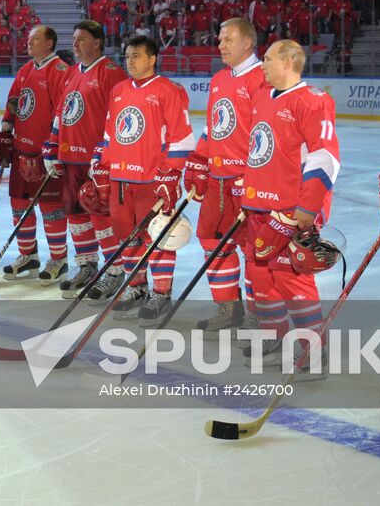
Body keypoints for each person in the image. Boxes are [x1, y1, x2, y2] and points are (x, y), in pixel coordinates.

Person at [236, 39, 341, 374]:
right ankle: (274, 338)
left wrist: (307, 208)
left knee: (291, 277)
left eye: (267, 59)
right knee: (259, 275)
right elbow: (259, 150)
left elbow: (325, 159)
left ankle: (314, 349)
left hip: (290, 209)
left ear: (289, 62)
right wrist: (247, 194)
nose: (262, 64)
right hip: (258, 207)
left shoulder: (313, 101)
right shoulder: (262, 96)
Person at [89, 34, 195, 323]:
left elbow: (182, 139)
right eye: (127, 56)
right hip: (121, 180)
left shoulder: (168, 90)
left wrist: (170, 175)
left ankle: (161, 293)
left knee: (159, 237)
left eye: (136, 56)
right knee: (127, 236)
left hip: (152, 180)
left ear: (152, 59)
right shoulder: (119, 90)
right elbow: (111, 134)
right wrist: (101, 164)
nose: (130, 61)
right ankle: (135, 287)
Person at [181, 17, 269, 333]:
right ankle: (228, 308)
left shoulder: (263, 77)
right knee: (211, 240)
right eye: (219, 39)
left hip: (246, 182)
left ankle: (257, 313)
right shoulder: (219, 78)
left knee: (254, 250)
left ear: (247, 42)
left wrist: (258, 177)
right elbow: (215, 126)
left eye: (227, 39)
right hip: (218, 179)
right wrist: (199, 161)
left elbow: (268, 133)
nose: (220, 45)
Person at [42, 19, 127, 296]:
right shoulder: (70, 73)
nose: (75, 44)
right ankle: (87, 264)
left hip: (96, 162)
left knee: (101, 217)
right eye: (74, 39)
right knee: (76, 216)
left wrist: (107, 156)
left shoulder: (111, 72)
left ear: (97, 42)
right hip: (69, 158)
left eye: (81, 39)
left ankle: (114, 270)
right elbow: (60, 113)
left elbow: (119, 119)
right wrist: (53, 147)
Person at [0, 25, 70, 283]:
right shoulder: (26, 70)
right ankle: (28, 255)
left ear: (49, 43)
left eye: (35, 38)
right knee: (19, 206)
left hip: (46, 154)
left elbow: (63, 114)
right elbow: (13, 103)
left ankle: (58, 259)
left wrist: (54, 147)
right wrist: (5, 132)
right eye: (28, 38)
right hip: (20, 150)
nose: (29, 42)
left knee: (51, 208)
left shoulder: (60, 71)